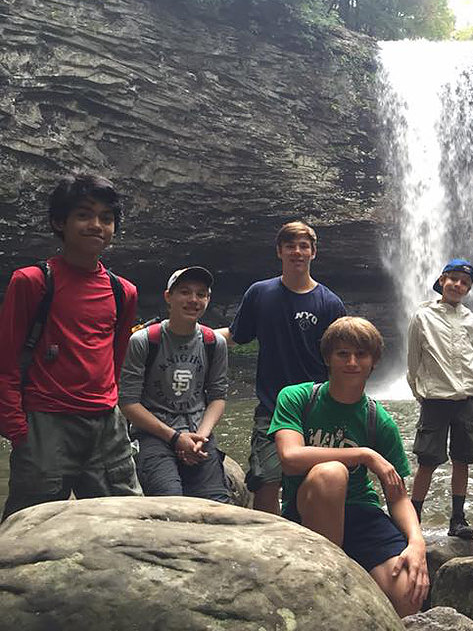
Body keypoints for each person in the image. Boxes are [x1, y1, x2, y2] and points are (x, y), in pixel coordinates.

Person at [0, 174, 141, 519]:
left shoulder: (124, 292)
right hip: (46, 424)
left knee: (128, 520)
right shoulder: (32, 282)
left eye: (106, 218)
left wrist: (115, 412)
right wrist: (18, 429)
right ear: (59, 222)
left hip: (106, 426)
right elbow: (5, 360)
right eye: (84, 214)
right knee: (31, 526)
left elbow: (115, 358)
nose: (97, 225)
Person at [269, 317, 429, 617]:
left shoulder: (377, 419)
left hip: (360, 513)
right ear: (327, 358)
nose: (352, 362)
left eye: (361, 354)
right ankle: (332, 581)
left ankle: (356, 579)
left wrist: (417, 542)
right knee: (332, 473)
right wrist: (365, 455)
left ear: (374, 362)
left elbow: (398, 496)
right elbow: (289, 459)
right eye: (342, 353)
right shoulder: (297, 397)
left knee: (409, 593)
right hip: (309, 510)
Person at [218, 221, 346, 514]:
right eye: (290, 246)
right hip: (272, 407)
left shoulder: (330, 303)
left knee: (316, 478)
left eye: (304, 246)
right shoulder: (260, 294)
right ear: (279, 251)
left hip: (317, 407)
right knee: (266, 479)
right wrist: (194, 335)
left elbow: (342, 358)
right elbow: (236, 336)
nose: (297, 252)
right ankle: (271, 545)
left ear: (314, 252)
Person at [119, 266, 229, 502]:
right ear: (168, 297)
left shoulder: (214, 343)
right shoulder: (144, 341)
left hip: (199, 436)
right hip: (153, 436)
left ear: (208, 299)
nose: (193, 300)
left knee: (217, 505)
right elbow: (128, 402)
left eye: (201, 294)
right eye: (185, 292)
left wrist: (200, 437)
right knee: (170, 502)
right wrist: (175, 438)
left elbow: (218, 397)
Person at [407, 259, 473, 539]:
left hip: (466, 398)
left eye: (465, 282)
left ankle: (458, 519)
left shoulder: (472, 320)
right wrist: (420, 391)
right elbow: (413, 359)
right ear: (441, 281)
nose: (458, 285)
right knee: (427, 459)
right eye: (453, 279)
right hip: (435, 398)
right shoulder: (422, 316)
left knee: (462, 459)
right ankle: (413, 517)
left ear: (469, 288)